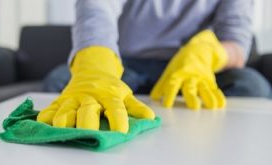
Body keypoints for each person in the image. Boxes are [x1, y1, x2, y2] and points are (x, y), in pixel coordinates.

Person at [37, 0, 271, 133]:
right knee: (59, 81)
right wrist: (95, 62)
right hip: (127, 64)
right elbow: (97, 7)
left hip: (192, 70)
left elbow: (236, 42)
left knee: (253, 87)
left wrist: (207, 55)